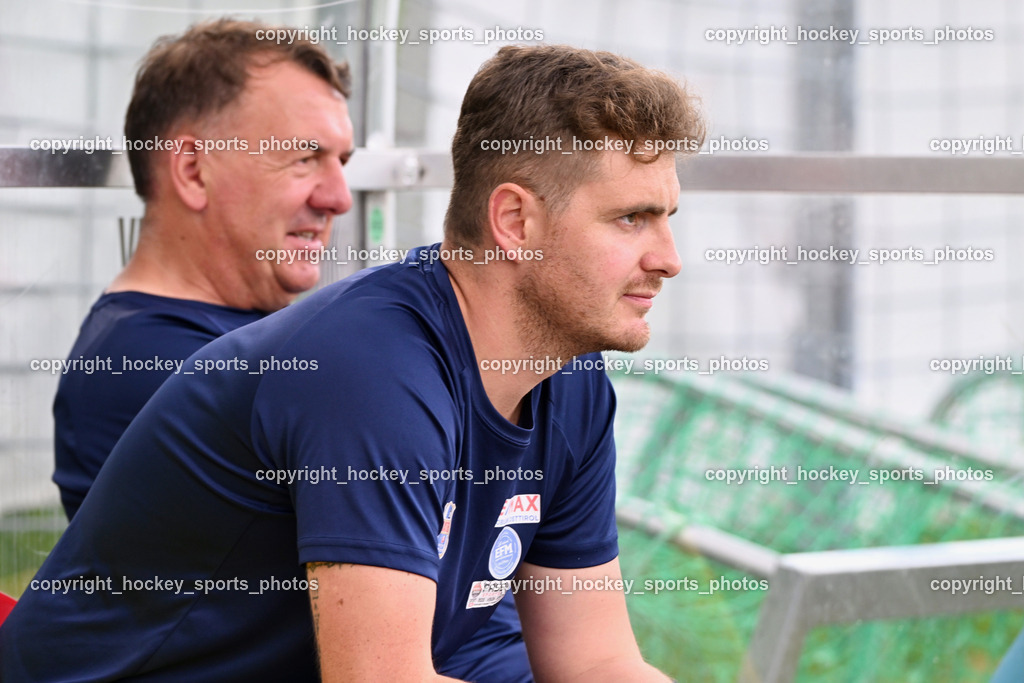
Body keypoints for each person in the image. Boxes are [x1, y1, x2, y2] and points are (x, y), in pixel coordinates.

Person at [1, 42, 704, 681]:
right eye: (631, 218)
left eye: (668, 217)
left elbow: (597, 660)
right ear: (515, 222)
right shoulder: (372, 370)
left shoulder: (570, 379)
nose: (668, 259)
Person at [42, 18, 528, 682]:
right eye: (303, 157)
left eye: (343, 163)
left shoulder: (313, 350)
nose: (335, 197)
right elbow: (421, 635)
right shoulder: (144, 369)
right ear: (191, 168)